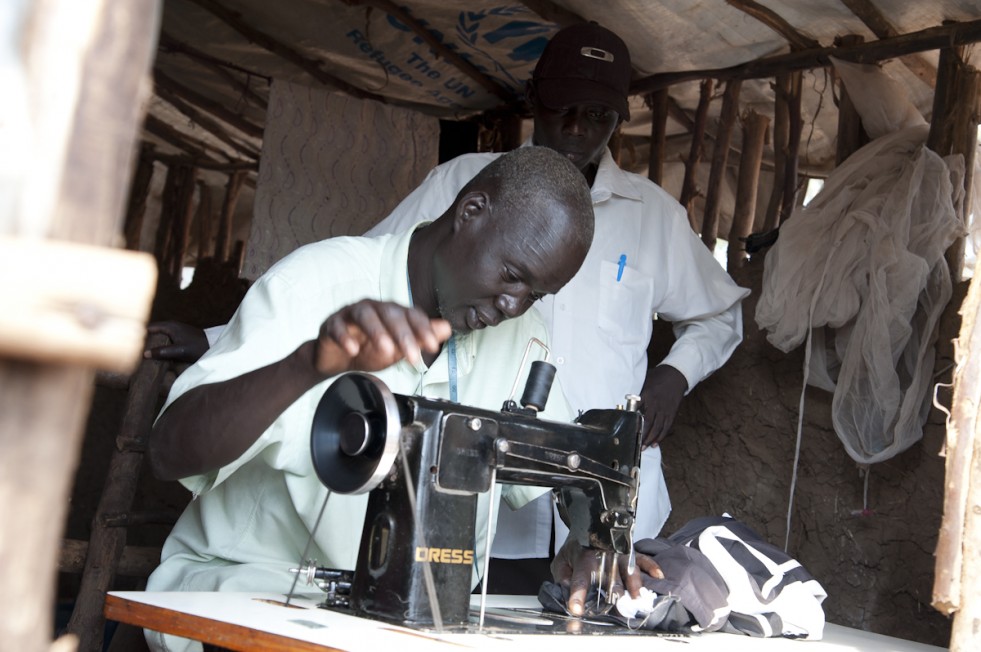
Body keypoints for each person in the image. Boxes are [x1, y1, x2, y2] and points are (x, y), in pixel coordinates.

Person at [143, 147, 660, 652]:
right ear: (471, 211)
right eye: (511, 276)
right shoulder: (317, 284)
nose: (512, 305)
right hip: (250, 599)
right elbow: (169, 452)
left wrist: (587, 537)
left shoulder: (522, 339)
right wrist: (307, 365)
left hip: (408, 622)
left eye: (535, 295)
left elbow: (566, 465)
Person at [362, 22, 750, 604]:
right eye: (561, 108)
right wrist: (223, 339)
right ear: (532, 98)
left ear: (619, 118)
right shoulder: (464, 183)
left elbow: (720, 315)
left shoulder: (652, 217)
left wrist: (674, 375)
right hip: (476, 499)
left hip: (600, 514)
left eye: (595, 115)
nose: (575, 128)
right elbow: (366, 273)